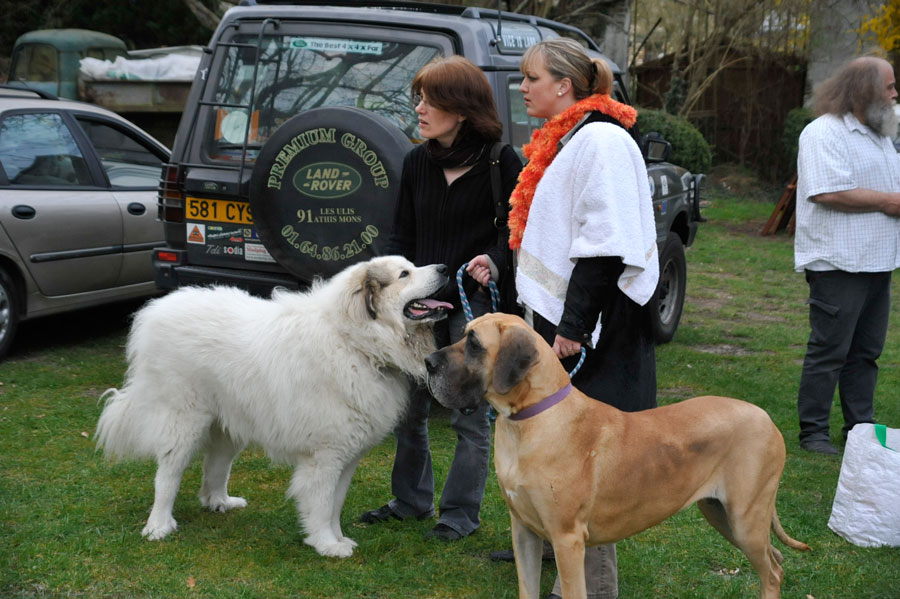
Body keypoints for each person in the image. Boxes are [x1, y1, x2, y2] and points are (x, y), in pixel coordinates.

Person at [481, 38, 659, 599]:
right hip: (573, 323)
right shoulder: (567, 139)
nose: (522, 87)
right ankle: (554, 550)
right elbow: (555, 234)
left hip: (595, 328)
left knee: (585, 463)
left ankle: (590, 589)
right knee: (558, 454)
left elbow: (603, 247)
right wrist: (502, 264)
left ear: (564, 85)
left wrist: (573, 329)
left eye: (530, 77)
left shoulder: (599, 139)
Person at [359, 55, 523, 540]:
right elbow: (399, 237)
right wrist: (388, 292)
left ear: (463, 108)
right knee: (407, 411)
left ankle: (459, 516)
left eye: (431, 100)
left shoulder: (501, 162)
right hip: (417, 312)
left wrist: (491, 262)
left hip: (471, 312)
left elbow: (515, 240)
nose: (420, 109)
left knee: (469, 419)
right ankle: (410, 501)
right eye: (419, 98)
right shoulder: (415, 161)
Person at [794, 56, 900, 456]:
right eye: (889, 87)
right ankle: (814, 432)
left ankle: (860, 427)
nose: (894, 93)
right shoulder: (823, 133)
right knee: (829, 351)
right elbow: (827, 191)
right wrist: (889, 202)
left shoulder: (880, 133)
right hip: (839, 262)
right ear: (864, 91)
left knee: (867, 352)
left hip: (878, 260)